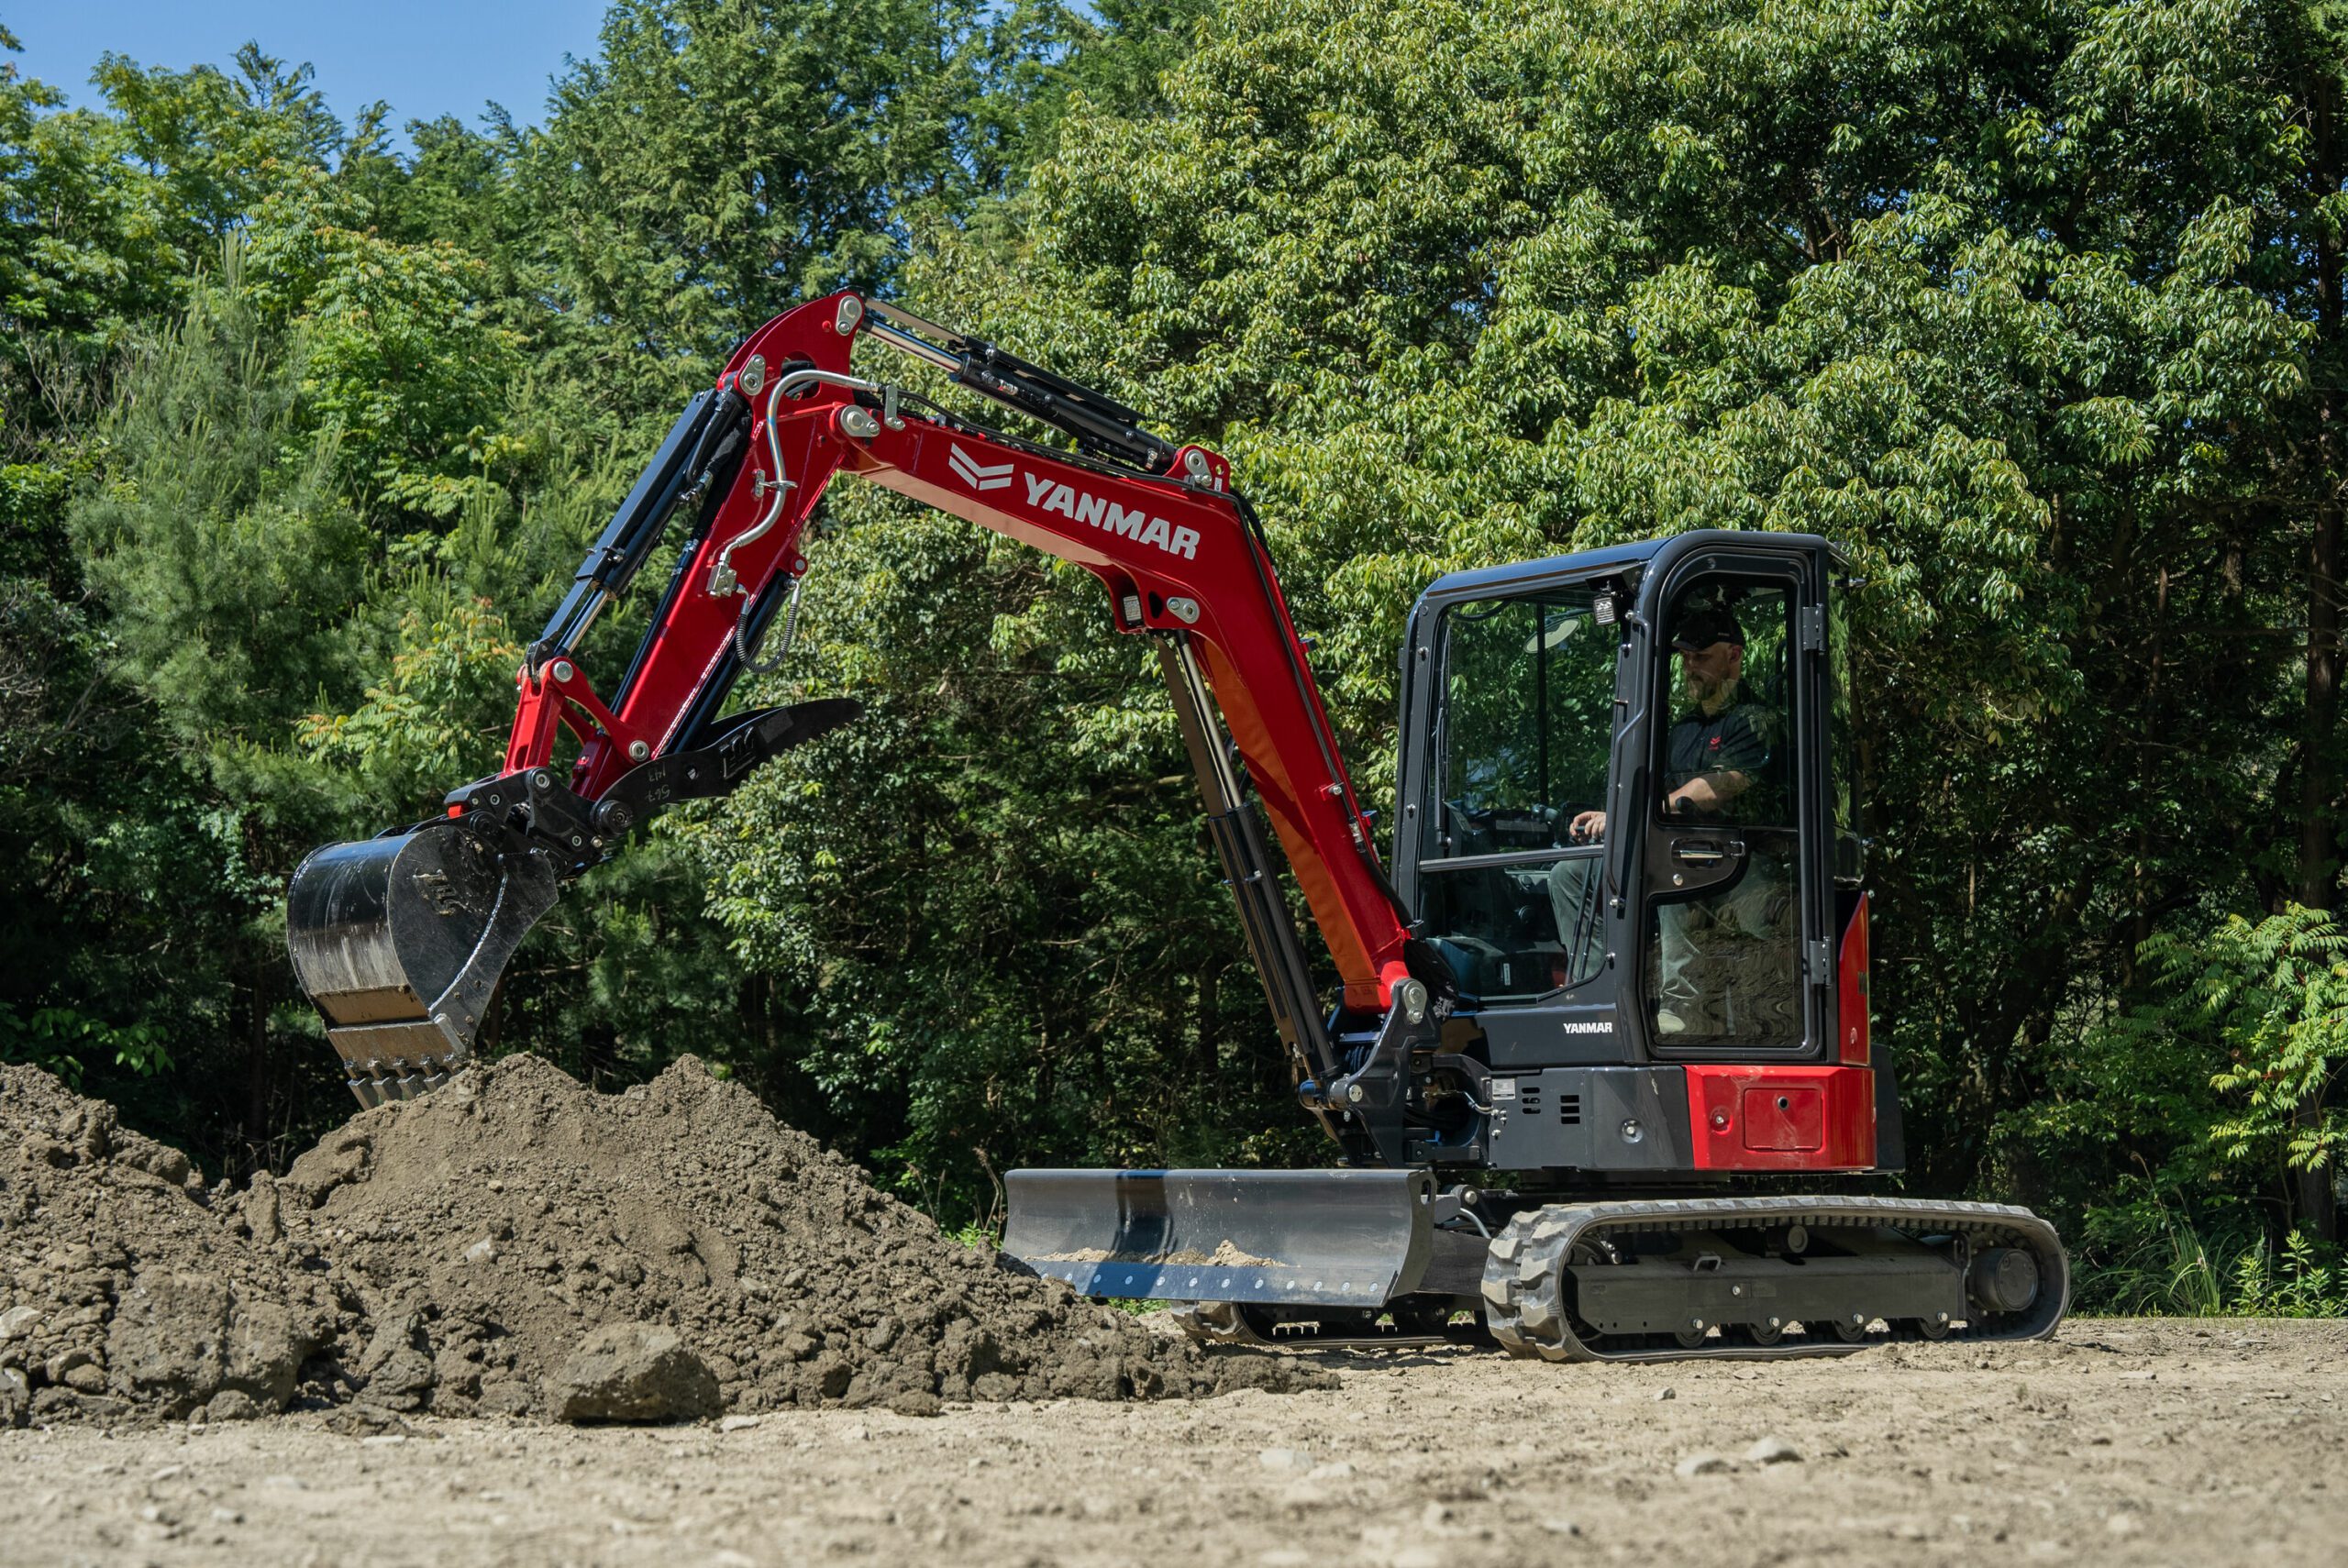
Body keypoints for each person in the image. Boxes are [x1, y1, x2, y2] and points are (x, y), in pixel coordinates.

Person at [1566, 606, 1788, 1033]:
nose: (1690, 667)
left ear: (1734, 656)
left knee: (1674, 868)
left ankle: (1683, 1011)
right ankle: (1597, 998)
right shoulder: (1681, 729)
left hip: (1744, 864)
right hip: (1687, 855)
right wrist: (1610, 816)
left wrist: (1634, 815)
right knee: (1570, 875)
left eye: (1701, 657)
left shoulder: (1754, 720)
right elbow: (1656, 794)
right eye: (1684, 659)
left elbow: (1717, 787)